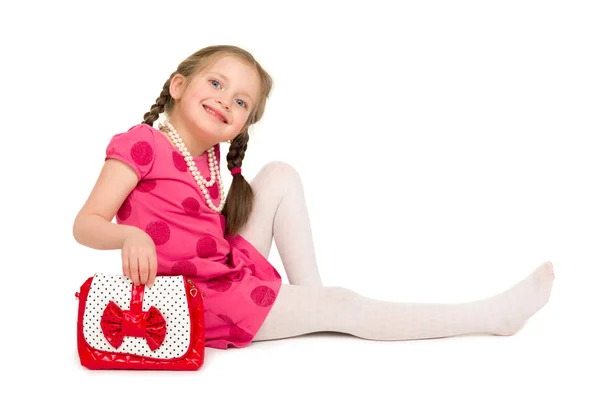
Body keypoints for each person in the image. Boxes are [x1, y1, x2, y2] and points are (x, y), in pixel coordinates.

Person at [72, 45, 555, 350]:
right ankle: (489, 317)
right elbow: (86, 222)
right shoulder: (142, 143)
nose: (225, 99)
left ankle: (311, 302)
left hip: (220, 270)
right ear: (178, 86)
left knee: (280, 174)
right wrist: (128, 234)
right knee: (345, 304)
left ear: (244, 122)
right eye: (215, 83)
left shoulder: (211, 163)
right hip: (193, 301)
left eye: (241, 101)